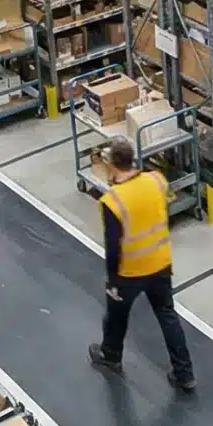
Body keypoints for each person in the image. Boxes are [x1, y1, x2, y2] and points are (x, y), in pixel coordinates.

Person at [86, 139, 194, 392]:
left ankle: (111, 355)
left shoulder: (113, 201)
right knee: (168, 316)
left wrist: (113, 281)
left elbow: (114, 247)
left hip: (130, 272)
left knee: (116, 316)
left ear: (112, 165)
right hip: (160, 264)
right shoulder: (157, 180)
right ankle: (184, 373)